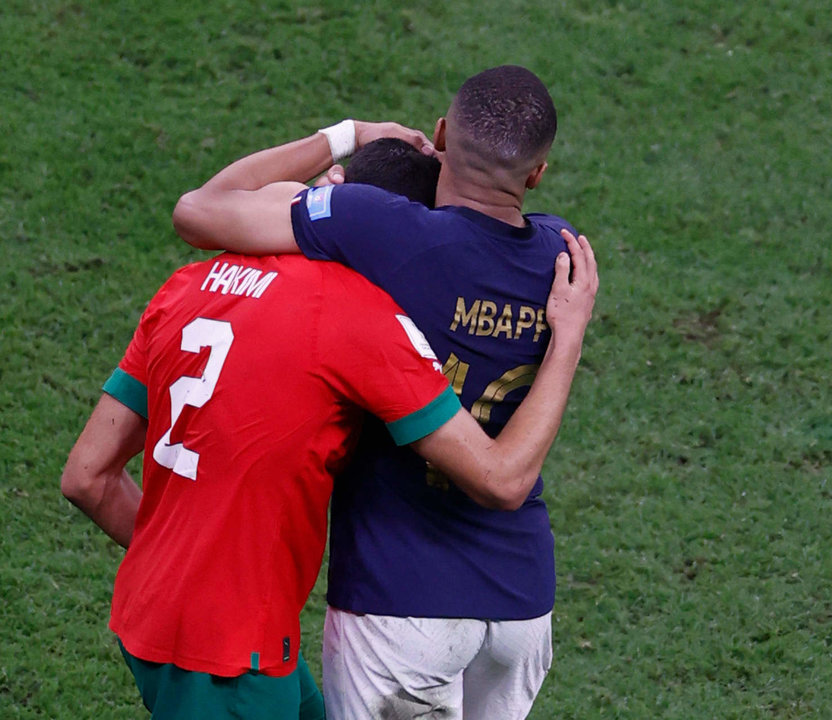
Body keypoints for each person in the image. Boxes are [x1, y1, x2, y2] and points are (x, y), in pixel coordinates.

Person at [63, 132, 598, 718]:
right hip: (228, 653)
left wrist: (344, 136)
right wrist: (567, 336)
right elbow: (498, 477)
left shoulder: (187, 286)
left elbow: (88, 477)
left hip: (167, 611)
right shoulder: (357, 320)